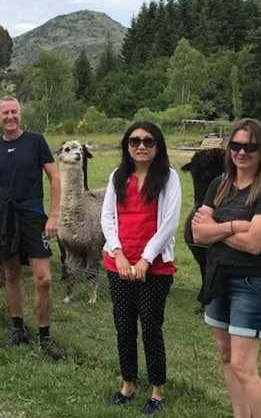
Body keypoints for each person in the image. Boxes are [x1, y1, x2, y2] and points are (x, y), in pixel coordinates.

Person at [191, 118, 261, 418]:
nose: (242, 152)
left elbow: (257, 243)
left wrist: (216, 228)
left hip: (250, 283)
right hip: (217, 280)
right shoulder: (219, 185)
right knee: (227, 356)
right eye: (236, 145)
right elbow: (197, 234)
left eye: (250, 147)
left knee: (245, 367)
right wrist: (234, 225)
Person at [101, 122, 181, 415]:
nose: (141, 146)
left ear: (157, 146)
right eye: (134, 141)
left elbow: (169, 222)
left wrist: (146, 259)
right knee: (124, 327)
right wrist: (119, 255)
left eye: (148, 141)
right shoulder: (117, 177)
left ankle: (157, 389)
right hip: (119, 265)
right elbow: (108, 218)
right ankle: (128, 383)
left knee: (150, 327)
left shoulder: (169, 178)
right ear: (127, 146)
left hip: (154, 268)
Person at [0, 96, 65, 360]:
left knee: (43, 278)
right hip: (2, 217)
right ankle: (18, 329)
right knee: (11, 274)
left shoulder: (36, 141)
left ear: (21, 114)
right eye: (5, 113)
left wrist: (53, 215)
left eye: (14, 112)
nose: (10, 117)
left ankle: (45, 335)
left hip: (32, 216)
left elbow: (54, 177)